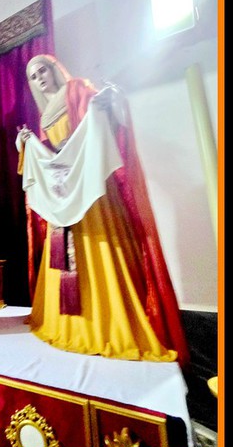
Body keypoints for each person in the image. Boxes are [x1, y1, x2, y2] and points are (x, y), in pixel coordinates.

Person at [16, 54, 190, 367]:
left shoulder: (77, 89)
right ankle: (67, 322)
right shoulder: (44, 116)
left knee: (100, 252)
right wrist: (26, 144)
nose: (40, 78)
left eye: (43, 70)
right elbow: (50, 154)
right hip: (63, 193)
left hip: (90, 189)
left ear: (54, 70)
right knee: (64, 255)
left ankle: (107, 324)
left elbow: (104, 119)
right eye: (33, 76)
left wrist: (110, 103)